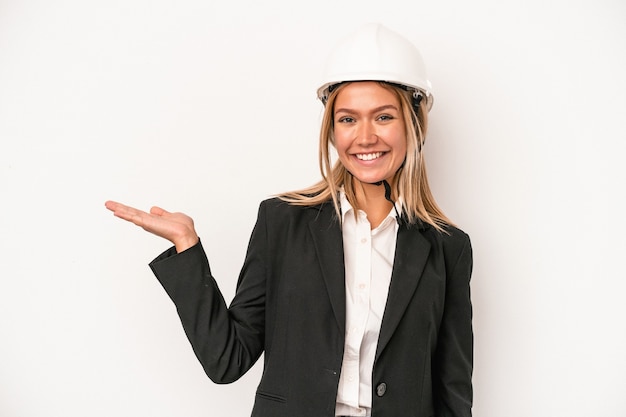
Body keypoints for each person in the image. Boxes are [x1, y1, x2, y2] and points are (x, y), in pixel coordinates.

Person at [105, 23, 473, 417]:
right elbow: (226, 360)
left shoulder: (447, 247)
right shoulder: (281, 223)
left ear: (413, 124)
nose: (365, 137)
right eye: (348, 119)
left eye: (383, 117)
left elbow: (453, 392)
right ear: (332, 129)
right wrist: (186, 247)